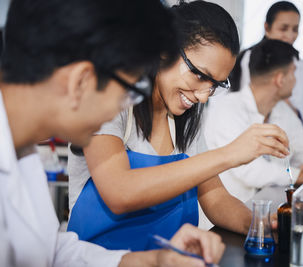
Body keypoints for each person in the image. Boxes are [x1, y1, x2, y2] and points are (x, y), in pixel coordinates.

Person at [0, 0, 226, 266]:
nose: (124, 107)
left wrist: (152, 261)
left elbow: (50, 253)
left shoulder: (20, 151)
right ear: (80, 81)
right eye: (128, 90)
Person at [67, 0, 289, 251]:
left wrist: (260, 225)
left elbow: (215, 199)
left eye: (215, 84)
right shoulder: (111, 102)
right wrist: (229, 154)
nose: (204, 96)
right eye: (200, 75)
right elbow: (119, 192)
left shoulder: (183, 120)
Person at [204, 38, 303, 205]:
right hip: (229, 218)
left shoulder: (282, 110)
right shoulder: (226, 108)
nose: (296, 80)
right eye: (293, 72)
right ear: (280, 79)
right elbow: (251, 171)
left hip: (272, 210)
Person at [231, 1, 303, 142]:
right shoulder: (245, 61)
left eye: (295, 29)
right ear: (267, 28)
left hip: (292, 149)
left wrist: (291, 109)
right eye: (283, 28)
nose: (290, 36)